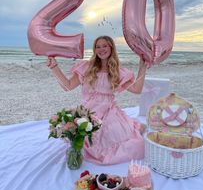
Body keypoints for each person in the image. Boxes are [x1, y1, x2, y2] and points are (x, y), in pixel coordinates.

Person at [47, 35, 147, 164]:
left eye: (104, 46)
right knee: (82, 135)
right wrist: (54, 67)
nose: (101, 49)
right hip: (87, 110)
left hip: (107, 111)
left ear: (111, 48)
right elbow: (68, 86)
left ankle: (135, 128)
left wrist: (142, 67)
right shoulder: (86, 67)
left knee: (111, 135)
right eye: (97, 46)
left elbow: (136, 90)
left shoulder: (117, 72)